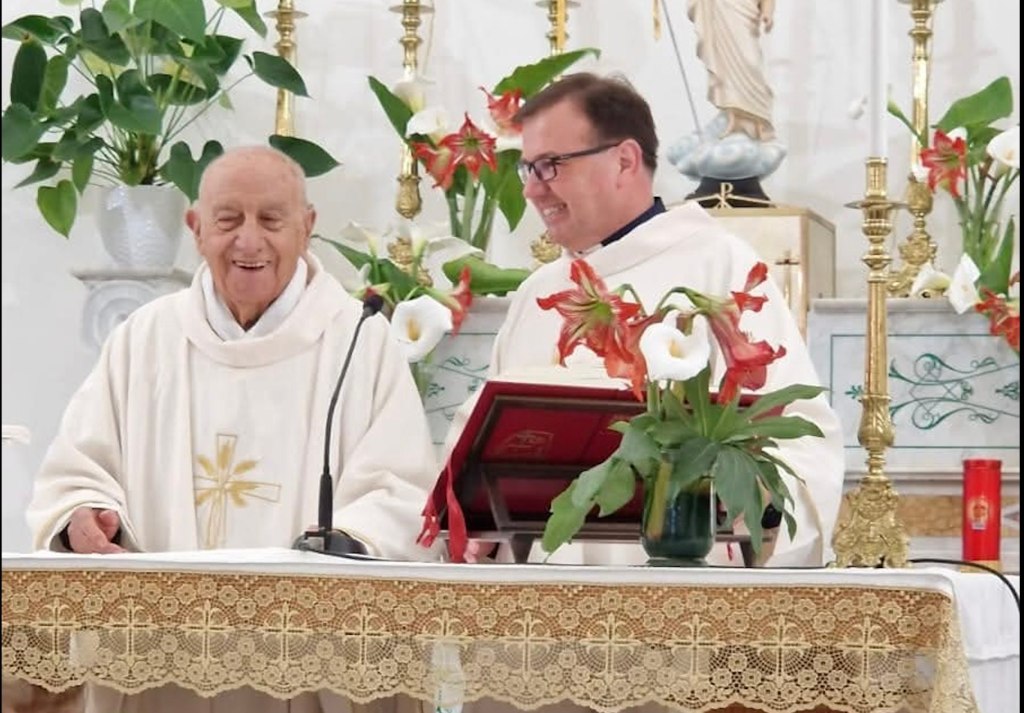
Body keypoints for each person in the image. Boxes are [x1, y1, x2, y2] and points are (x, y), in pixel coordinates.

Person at [27, 146, 437, 713]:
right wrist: (86, 517)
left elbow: (401, 492)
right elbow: (79, 469)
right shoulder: (144, 338)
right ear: (196, 229)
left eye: (271, 220)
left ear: (307, 227)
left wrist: (345, 543)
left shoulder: (358, 341)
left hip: (310, 659)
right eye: (228, 220)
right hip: (161, 662)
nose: (249, 241)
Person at [451, 72, 844, 573]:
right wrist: (467, 517)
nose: (532, 191)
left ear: (624, 160)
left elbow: (801, 443)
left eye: (550, 166)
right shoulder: (538, 293)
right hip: (539, 607)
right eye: (527, 169)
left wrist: (756, 506)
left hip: (681, 602)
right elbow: (478, 450)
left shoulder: (718, 266)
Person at [688, 0, 777, 140]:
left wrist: (767, 12)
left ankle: (758, 118)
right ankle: (734, 120)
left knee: (751, 62)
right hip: (722, 9)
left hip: (745, 11)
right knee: (725, 67)